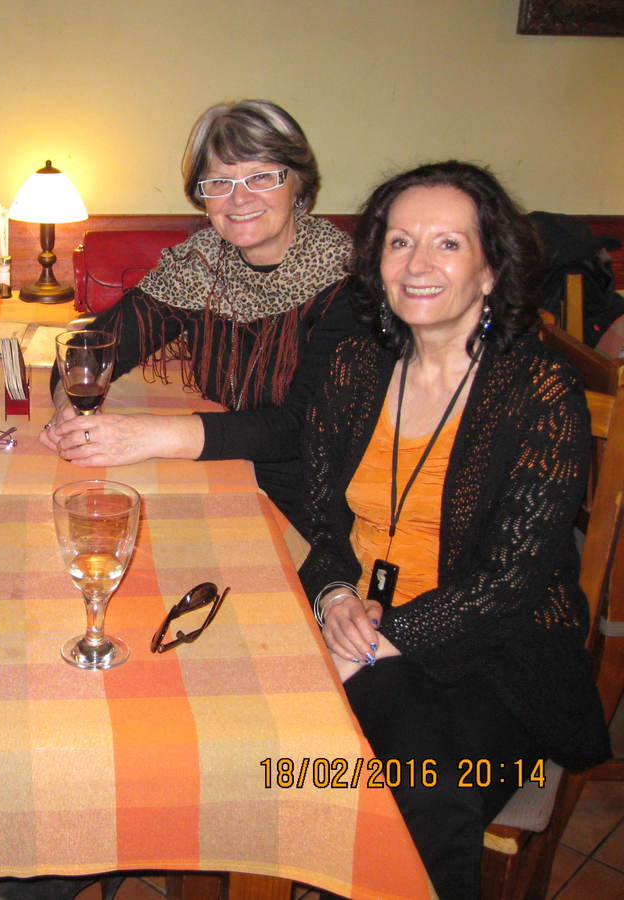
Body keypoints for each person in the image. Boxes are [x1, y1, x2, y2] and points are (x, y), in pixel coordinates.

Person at [298, 161, 610, 898]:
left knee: (420, 787)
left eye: (448, 243)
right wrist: (335, 596)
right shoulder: (354, 366)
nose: (417, 265)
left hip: (500, 656)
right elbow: (321, 518)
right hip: (361, 624)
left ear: (491, 269)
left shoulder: (540, 392)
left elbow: (507, 587)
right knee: (249, 738)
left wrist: (374, 644)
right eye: (399, 241)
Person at [39, 100, 356, 531]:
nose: (239, 198)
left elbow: (303, 426)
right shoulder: (202, 263)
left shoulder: (346, 279)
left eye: (262, 176)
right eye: (219, 182)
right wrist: (70, 406)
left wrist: (147, 435)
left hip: (312, 504)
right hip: (227, 475)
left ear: (298, 184)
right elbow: (91, 347)